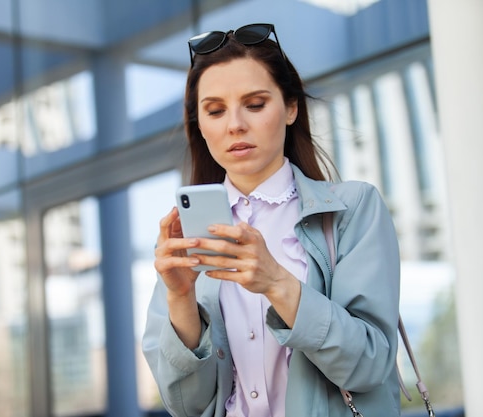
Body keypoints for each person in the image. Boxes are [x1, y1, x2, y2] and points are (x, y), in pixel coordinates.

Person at [142, 23, 401, 417]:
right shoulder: (187, 236)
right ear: (201, 125)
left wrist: (277, 283)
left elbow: (369, 365)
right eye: (214, 110)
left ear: (291, 107)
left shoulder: (351, 209)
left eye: (256, 104)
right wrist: (180, 299)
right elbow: (185, 406)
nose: (235, 125)